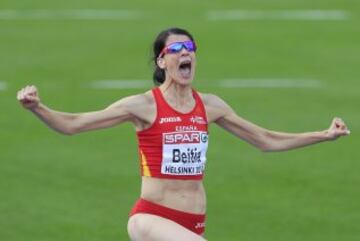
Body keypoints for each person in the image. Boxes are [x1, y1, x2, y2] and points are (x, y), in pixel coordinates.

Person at [17, 27, 350, 241]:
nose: (185, 52)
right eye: (175, 49)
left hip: (193, 224)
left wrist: (323, 135)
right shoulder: (143, 106)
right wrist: (37, 107)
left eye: (189, 46)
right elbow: (73, 124)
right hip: (150, 218)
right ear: (162, 62)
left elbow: (265, 140)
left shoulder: (211, 106)